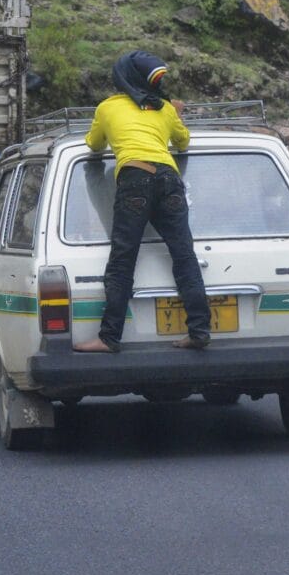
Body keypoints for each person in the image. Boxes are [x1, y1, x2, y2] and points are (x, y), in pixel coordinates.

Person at [74, 51, 211, 353]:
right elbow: (184, 142)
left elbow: (93, 145)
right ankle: (199, 330)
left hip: (136, 176)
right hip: (170, 178)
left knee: (123, 258)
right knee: (184, 255)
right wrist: (175, 114)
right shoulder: (164, 109)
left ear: (122, 77)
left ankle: (109, 337)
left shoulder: (108, 108)